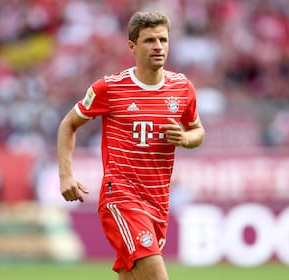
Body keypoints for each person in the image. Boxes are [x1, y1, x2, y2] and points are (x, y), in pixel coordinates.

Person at [57, 11, 205, 280]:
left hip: (158, 202)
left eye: (163, 39)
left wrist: (184, 138)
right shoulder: (110, 88)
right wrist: (66, 175)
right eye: (149, 40)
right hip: (121, 197)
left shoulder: (182, 88)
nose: (158, 46)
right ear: (132, 46)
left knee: (133, 276)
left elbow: (197, 131)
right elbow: (68, 124)